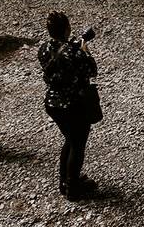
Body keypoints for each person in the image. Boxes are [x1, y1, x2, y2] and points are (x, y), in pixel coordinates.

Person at [37, 11, 98, 200]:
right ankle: (73, 187)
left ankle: (64, 181)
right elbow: (91, 70)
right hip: (73, 103)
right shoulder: (74, 52)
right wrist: (85, 50)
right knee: (77, 145)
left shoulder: (44, 48)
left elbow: (60, 59)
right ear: (66, 28)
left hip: (53, 102)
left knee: (70, 140)